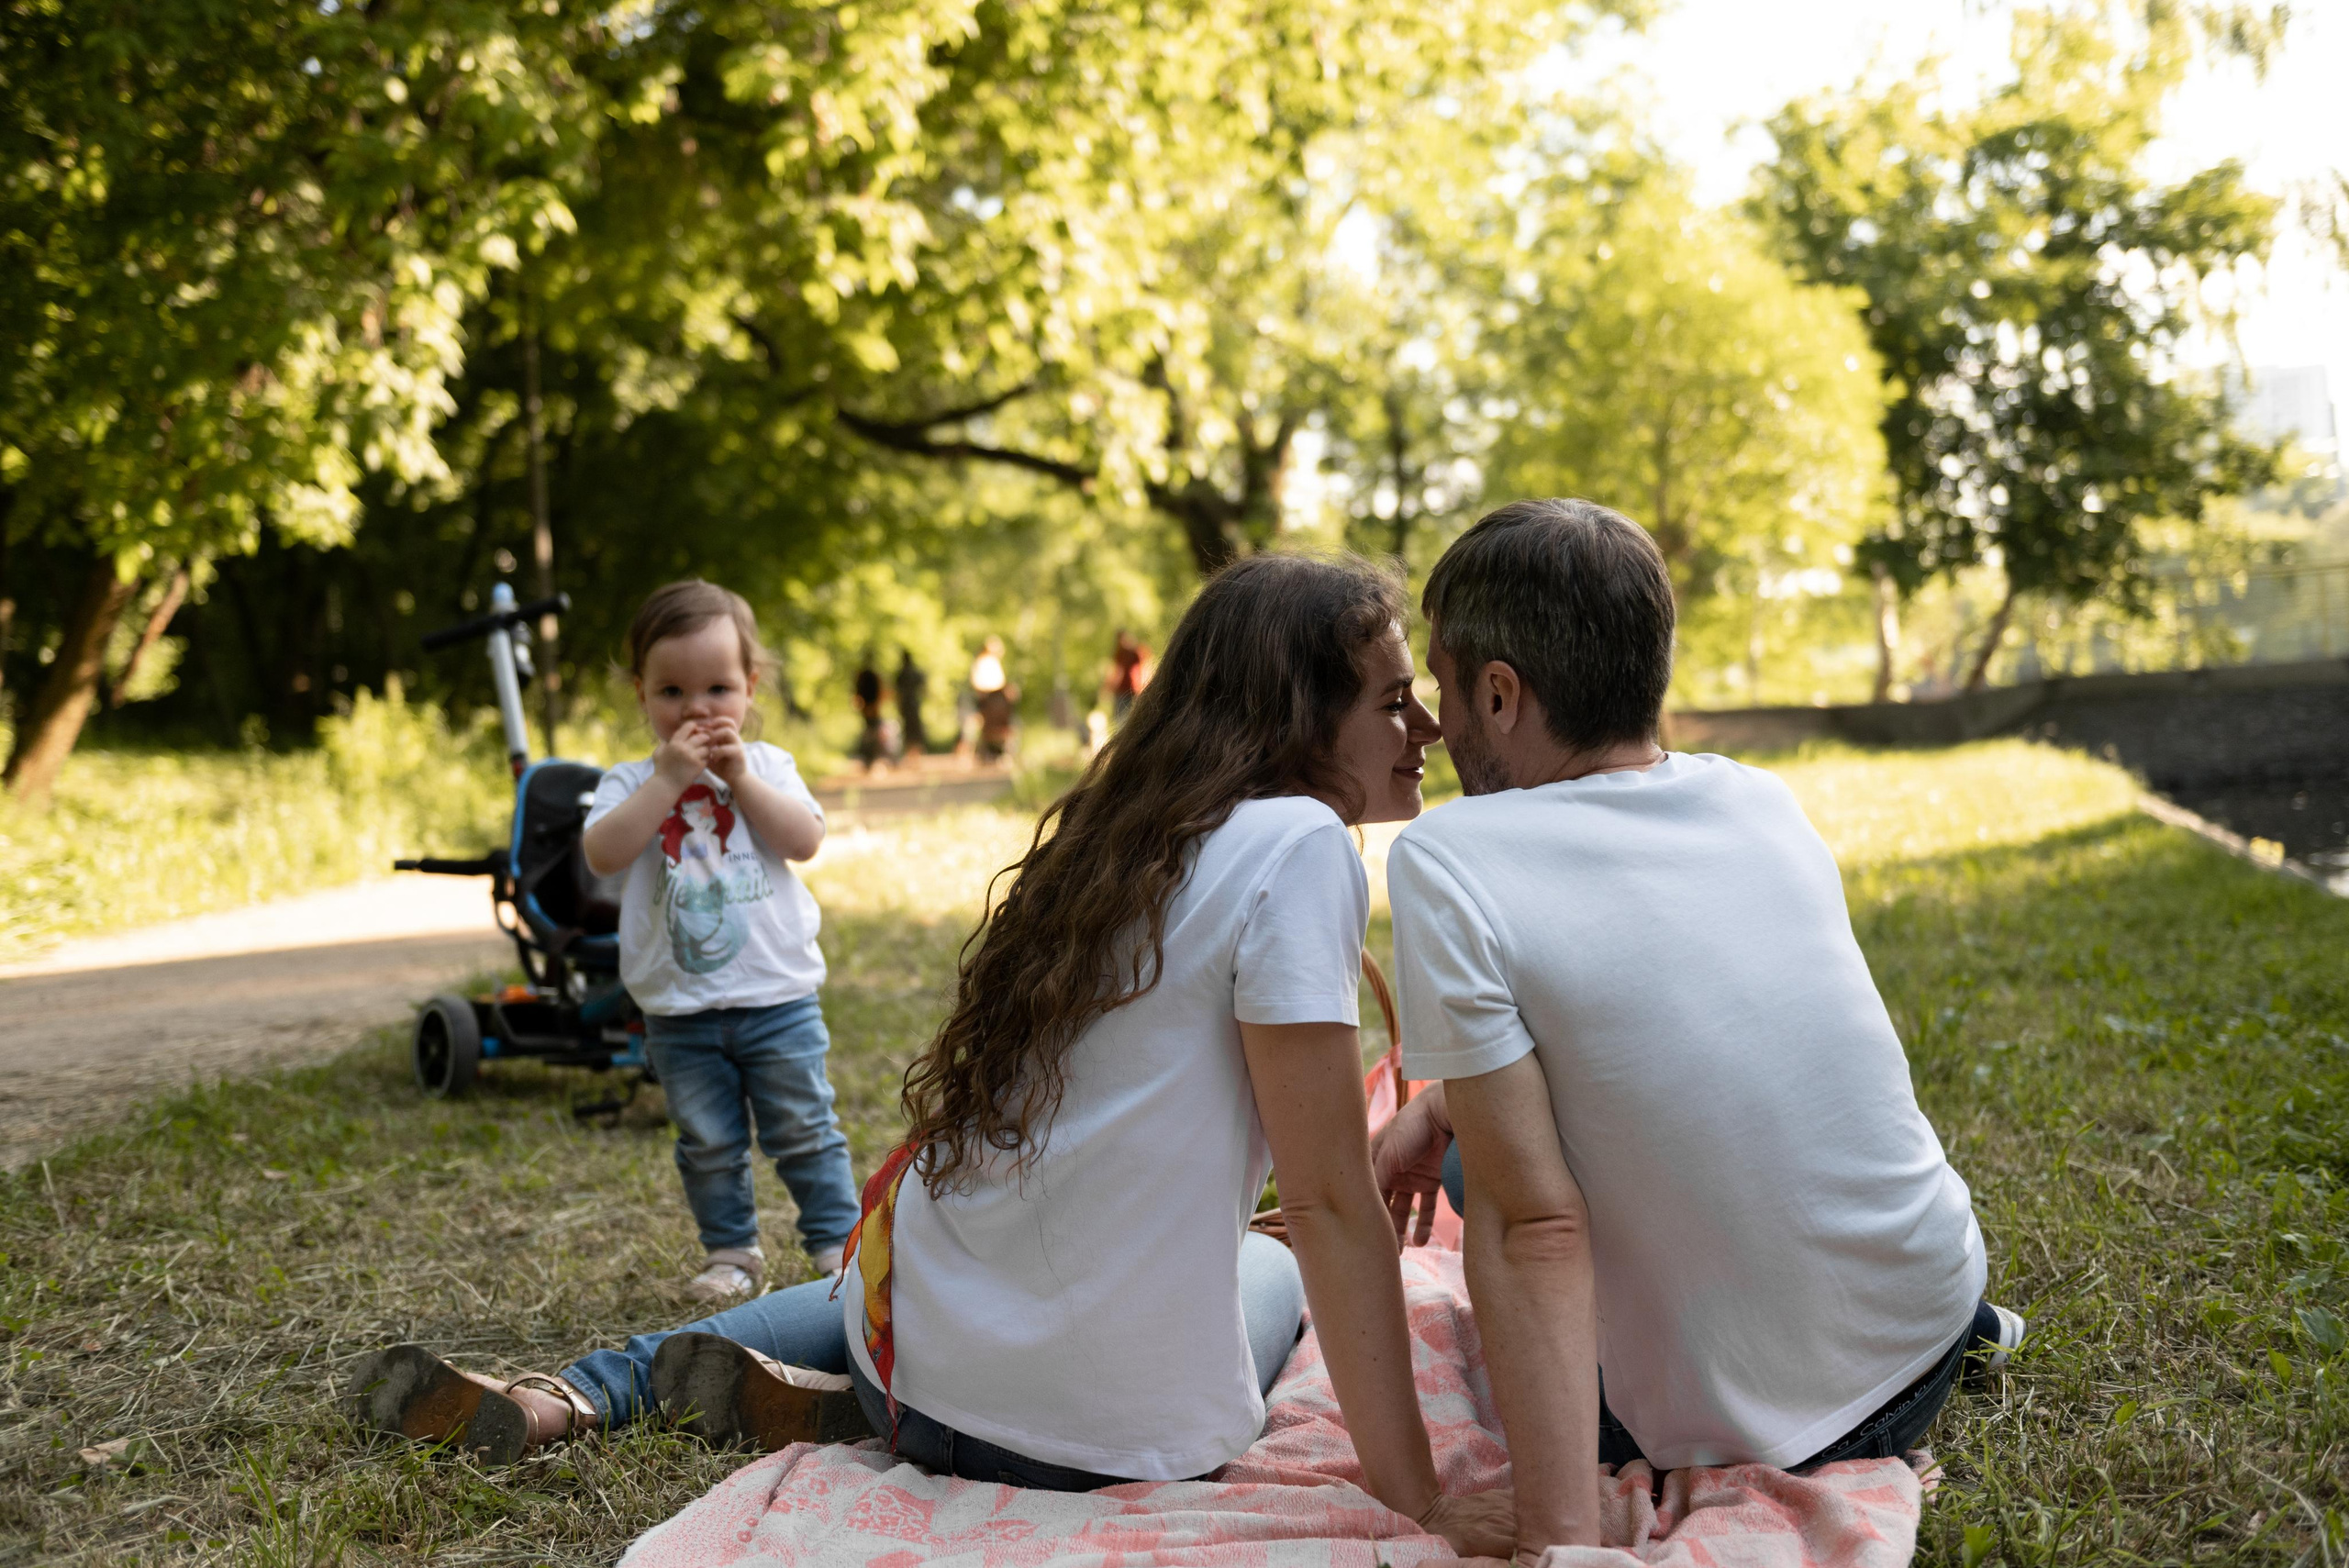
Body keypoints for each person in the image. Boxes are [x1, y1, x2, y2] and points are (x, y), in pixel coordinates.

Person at [349, 555, 1515, 1559]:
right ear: (1301, 714)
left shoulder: (1131, 836)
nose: (1425, 728)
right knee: (1271, 1269)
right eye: (1393, 697)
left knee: (905, 1275)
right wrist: (1421, 1498)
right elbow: (1321, 1199)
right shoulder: (1305, 841)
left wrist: (1389, 1136)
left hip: (920, 1368)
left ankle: (577, 1393)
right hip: (1092, 1441)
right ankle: (788, 1399)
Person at [1368, 499, 2022, 1558]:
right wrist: (1444, 1102)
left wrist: (1553, 1534)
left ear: (1499, 693)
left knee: (1476, 1188)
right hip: (1935, 1314)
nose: (1435, 725)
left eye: (1442, 687)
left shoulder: (1450, 858)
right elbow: (1675, 1031)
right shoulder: (1760, 800)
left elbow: (1535, 1228)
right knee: (1477, 1144)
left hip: (1762, 1422)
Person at [579, 581, 860, 1304]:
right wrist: (668, 781)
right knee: (707, 1141)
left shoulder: (767, 767)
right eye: (672, 690)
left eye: (717, 688)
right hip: (680, 1006)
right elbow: (604, 853)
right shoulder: (632, 780)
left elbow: (805, 839)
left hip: (777, 994)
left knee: (805, 1125)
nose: (697, 709)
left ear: (750, 686)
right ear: (641, 693)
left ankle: (837, 1242)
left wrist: (739, 778)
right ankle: (732, 1252)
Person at [969, 635, 1019, 762]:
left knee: (1007, 723)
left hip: (998, 698)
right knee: (980, 724)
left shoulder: (993, 662)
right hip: (987, 699)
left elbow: (1000, 682)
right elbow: (978, 683)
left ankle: (1003, 751)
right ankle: (979, 752)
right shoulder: (981, 662)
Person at [1104, 627, 1152, 723]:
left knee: (1128, 717)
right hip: (1124, 690)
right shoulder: (1122, 653)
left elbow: (1145, 668)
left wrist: (1144, 686)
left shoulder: (1136, 652)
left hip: (1132, 690)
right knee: (1123, 718)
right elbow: (1118, 671)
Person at [894, 651, 929, 756]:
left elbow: (898, 692)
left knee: (910, 729)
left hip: (908, 704)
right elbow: (923, 688)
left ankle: (912, 753)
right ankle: (915, 753)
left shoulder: (901, 674)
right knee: (914, 729)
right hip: (913, 704)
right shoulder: (912, 673)